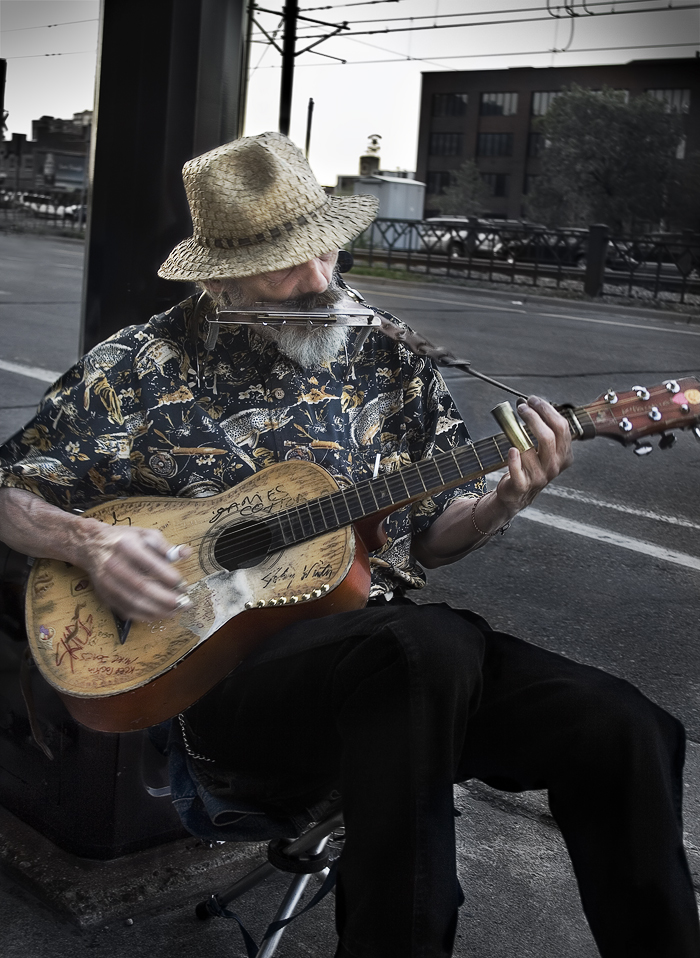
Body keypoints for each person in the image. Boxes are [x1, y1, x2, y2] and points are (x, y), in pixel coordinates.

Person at [0, 132, 698, 958]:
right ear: (216, 273)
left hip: (400, 669)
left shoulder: (386, 354)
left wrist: (503, 502)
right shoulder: (136, 368)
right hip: (225, 690)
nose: (319, 280)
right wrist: (88, 543)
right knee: (421, 643)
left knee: (627, 726)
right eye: (285, 265)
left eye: (325, 248)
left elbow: (430, 541)